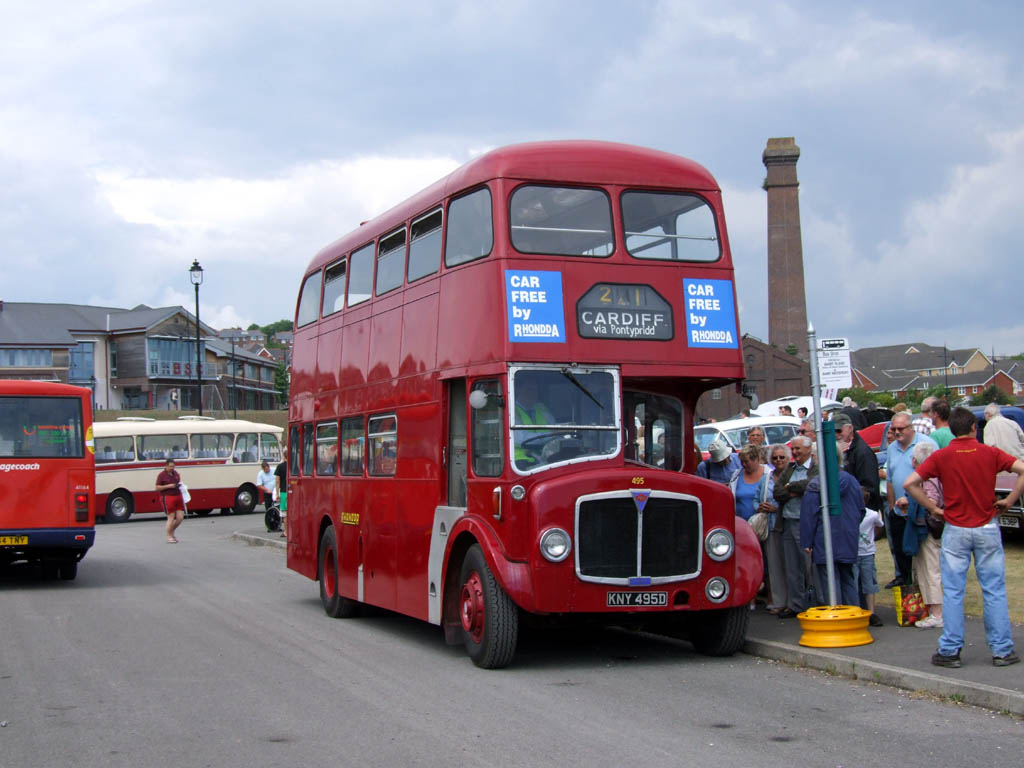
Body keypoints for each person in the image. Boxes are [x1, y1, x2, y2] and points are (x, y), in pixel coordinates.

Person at [905, 406, 1024, 668]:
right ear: (974, 427)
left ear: (952, 429)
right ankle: (1002, 650)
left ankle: (950, 650)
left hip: (956, 528)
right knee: (993, 589)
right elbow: (1022, 469)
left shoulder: (943, 455)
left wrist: (934, 508)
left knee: (954, 591)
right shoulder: (989, 452)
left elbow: (910, 483)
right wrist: (1010, 500)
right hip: (987, 525)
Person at [800, 451, 863, 608]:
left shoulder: (816, 484)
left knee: (830, 582)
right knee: (848, 579)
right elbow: (861, 509)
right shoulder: (852, 481)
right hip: (848, 536)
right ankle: (853, 618)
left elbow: (809, 515)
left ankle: (836, 618)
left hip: (824, 538)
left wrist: (807, 541)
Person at [884, 411, 937, 588]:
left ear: (911, 427)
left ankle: (924, 590)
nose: (897, 432)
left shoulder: (926, 444)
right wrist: (892, 508)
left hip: (920, 511)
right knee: (901, 553)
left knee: (923, 556)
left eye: (901, 429)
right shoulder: (892, 448)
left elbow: (935, 477)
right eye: (894, 429)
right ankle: (908, 590)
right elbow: (890, 480)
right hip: (899, 512)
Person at [772, 435, 817, 617]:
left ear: (808, 449)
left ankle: (813, 604)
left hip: (805, 522)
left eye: (799, 448)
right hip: (787, 521)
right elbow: (777, 491)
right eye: (794, 449)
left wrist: (791, 487)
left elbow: (811, 485)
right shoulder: (790, 468)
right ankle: (796, 605)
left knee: (808, 566)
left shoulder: (814, 468)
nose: (796, 452)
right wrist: (792, 491)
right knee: (792, 568)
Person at [908, 441, 943, 629]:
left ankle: (937, 612)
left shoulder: (928, 478)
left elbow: (932, 502)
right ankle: (932, 609)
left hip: (928, 528)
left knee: (931, 568)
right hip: (929, 528)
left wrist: (913, 498)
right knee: (926, 568)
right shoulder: (933, 476)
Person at [833, 411, 881, 510]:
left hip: (860, 509)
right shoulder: (835, 449)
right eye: (832, 431)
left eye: (839, 430)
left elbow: (870, 488)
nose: (836, 435)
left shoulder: (863, 452)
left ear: (850, 428)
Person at [764, 444, 792, 614]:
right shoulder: (767, 477)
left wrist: (776, 508)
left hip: (788, 524)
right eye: (775, 458)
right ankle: (779, 601)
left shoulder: (793, 475)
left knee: (792, 565)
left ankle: (793, 601)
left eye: (782, 457)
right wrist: (760, 506)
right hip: (771, 526)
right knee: (774, 566)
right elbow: (758, 496)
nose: (778, 460)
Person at [513, 377, 556, 468]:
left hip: (544, 459)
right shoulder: (512, 410)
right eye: (529, 389)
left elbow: (556, 431)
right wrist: (552, 434)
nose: (533, 393)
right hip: (519, 462)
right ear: (518, 390)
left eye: (536, 390)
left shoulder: (542, 409)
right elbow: (521, 439)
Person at [857, 505, 885, 626]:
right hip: (856, 553)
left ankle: (871, 613)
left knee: (868, 583)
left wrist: (873, 538)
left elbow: (880, 525)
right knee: (858, 583)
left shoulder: (872, 514)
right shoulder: (850, 512)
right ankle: (860, 610)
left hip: (867, 552)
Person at [155, 458, 185, 543]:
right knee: (171, 517)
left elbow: (178, 483)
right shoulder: (162, 475)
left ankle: (171, 531)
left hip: (178, 496)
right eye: (170, 466)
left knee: (180, 517)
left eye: (173, 466)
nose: (172, 468)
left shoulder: (176, 474)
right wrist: (169, 486)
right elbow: (157, 487)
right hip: (167, 497)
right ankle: (169, 536)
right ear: (166, 466)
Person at [274, 448, 288, 539]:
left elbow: (277, 482)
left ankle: (286, 531)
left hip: (283, 492)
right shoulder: (294, 466)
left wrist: (277, 494)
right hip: (293, 491)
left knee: (284, 513)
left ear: (283, 456)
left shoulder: (280, 467)